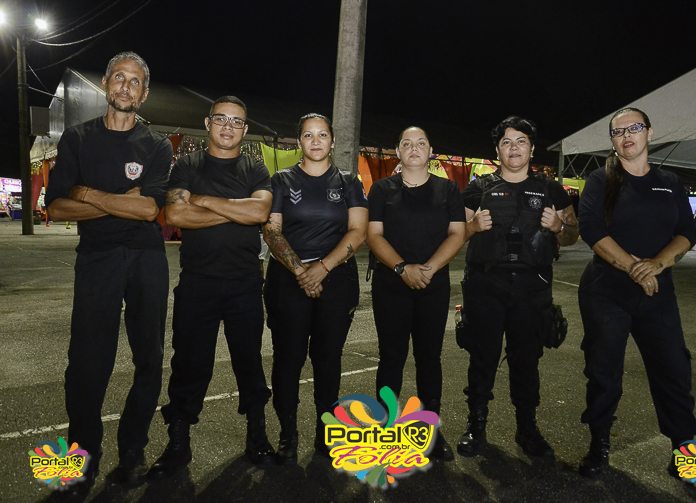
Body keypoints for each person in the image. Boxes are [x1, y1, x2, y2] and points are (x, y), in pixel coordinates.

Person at [576, 107, 696, 491]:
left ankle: (686, 454)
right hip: (606, 292)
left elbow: (686, 232)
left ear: (649, 133)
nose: (627, 136)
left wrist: (656, 264)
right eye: (618, 131)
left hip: (658, 292)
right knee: (603, 372)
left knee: (674, 370)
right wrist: (635, 269)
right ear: (612, 141)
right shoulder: (600, 180)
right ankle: (599, 445)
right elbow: (592, 230)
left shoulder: (669, 182)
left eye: (634, 128)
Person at [45, 51, 172, 492]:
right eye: (119, 77)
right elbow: (57, 207)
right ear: (105, 83)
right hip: (97, 259)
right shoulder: (77, 139)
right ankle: (82, 457)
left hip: (146, 259)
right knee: (86, 361)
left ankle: (133, 451)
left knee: (149, 358)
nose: (125, 87)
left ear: (144, 93)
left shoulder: (156, 145)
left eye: (135, 81)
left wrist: (88, 194)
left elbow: (150, 209)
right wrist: (122, 200)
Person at [149, 96, 276, 477]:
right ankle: (178, 442)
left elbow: (260, 211)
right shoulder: (187, 164)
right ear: (208, 123)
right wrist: (236, 211)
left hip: (244, 284)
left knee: (249, 362)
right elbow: (175, 213)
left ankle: (257, 435)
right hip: (198, 283)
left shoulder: (255, 167)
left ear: (245, 129)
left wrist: (203, 201)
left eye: (236, 121)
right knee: (189, 363)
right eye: (221, 119)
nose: (228, 126)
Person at [456, 116, 578, 459]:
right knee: (482, 357)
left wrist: (559, 227)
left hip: (531, 288)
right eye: (507, 142)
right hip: (485, 285)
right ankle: (476, 425)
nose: (514, 148)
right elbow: (454, 234)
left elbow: (573, 234)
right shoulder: (477, 188)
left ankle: (527, 429)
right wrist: (472, 227)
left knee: (526, 361)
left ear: (532, 149)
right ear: (497, 150)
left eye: (521, 141)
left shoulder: (551, 190)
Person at [263, 113, 368, 463]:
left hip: (336, 279)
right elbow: (271, 230)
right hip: (288, 278)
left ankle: (327, 433)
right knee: (288, 359)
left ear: (332, 141)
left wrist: (322, 268)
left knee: (327, 359)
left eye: (323, 135)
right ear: (299, 142)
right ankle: (288, 433)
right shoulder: (281, 180)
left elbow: (358, 231)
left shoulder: (349, 182)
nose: (316, 141)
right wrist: (301, 271)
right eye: (308, 135)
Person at [367, 126, 465, 461]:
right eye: (406, 143)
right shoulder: (382, 189)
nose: (414, 147)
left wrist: (428, 269)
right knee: (391, 358)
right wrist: (401, 268)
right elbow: (374, 235)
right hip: (390, 286)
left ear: (430, 151)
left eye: (420, 143)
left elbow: (457, 233)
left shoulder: (447, 189)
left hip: (433, 286)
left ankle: (430, 431)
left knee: (429, 358)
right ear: (398, 151)